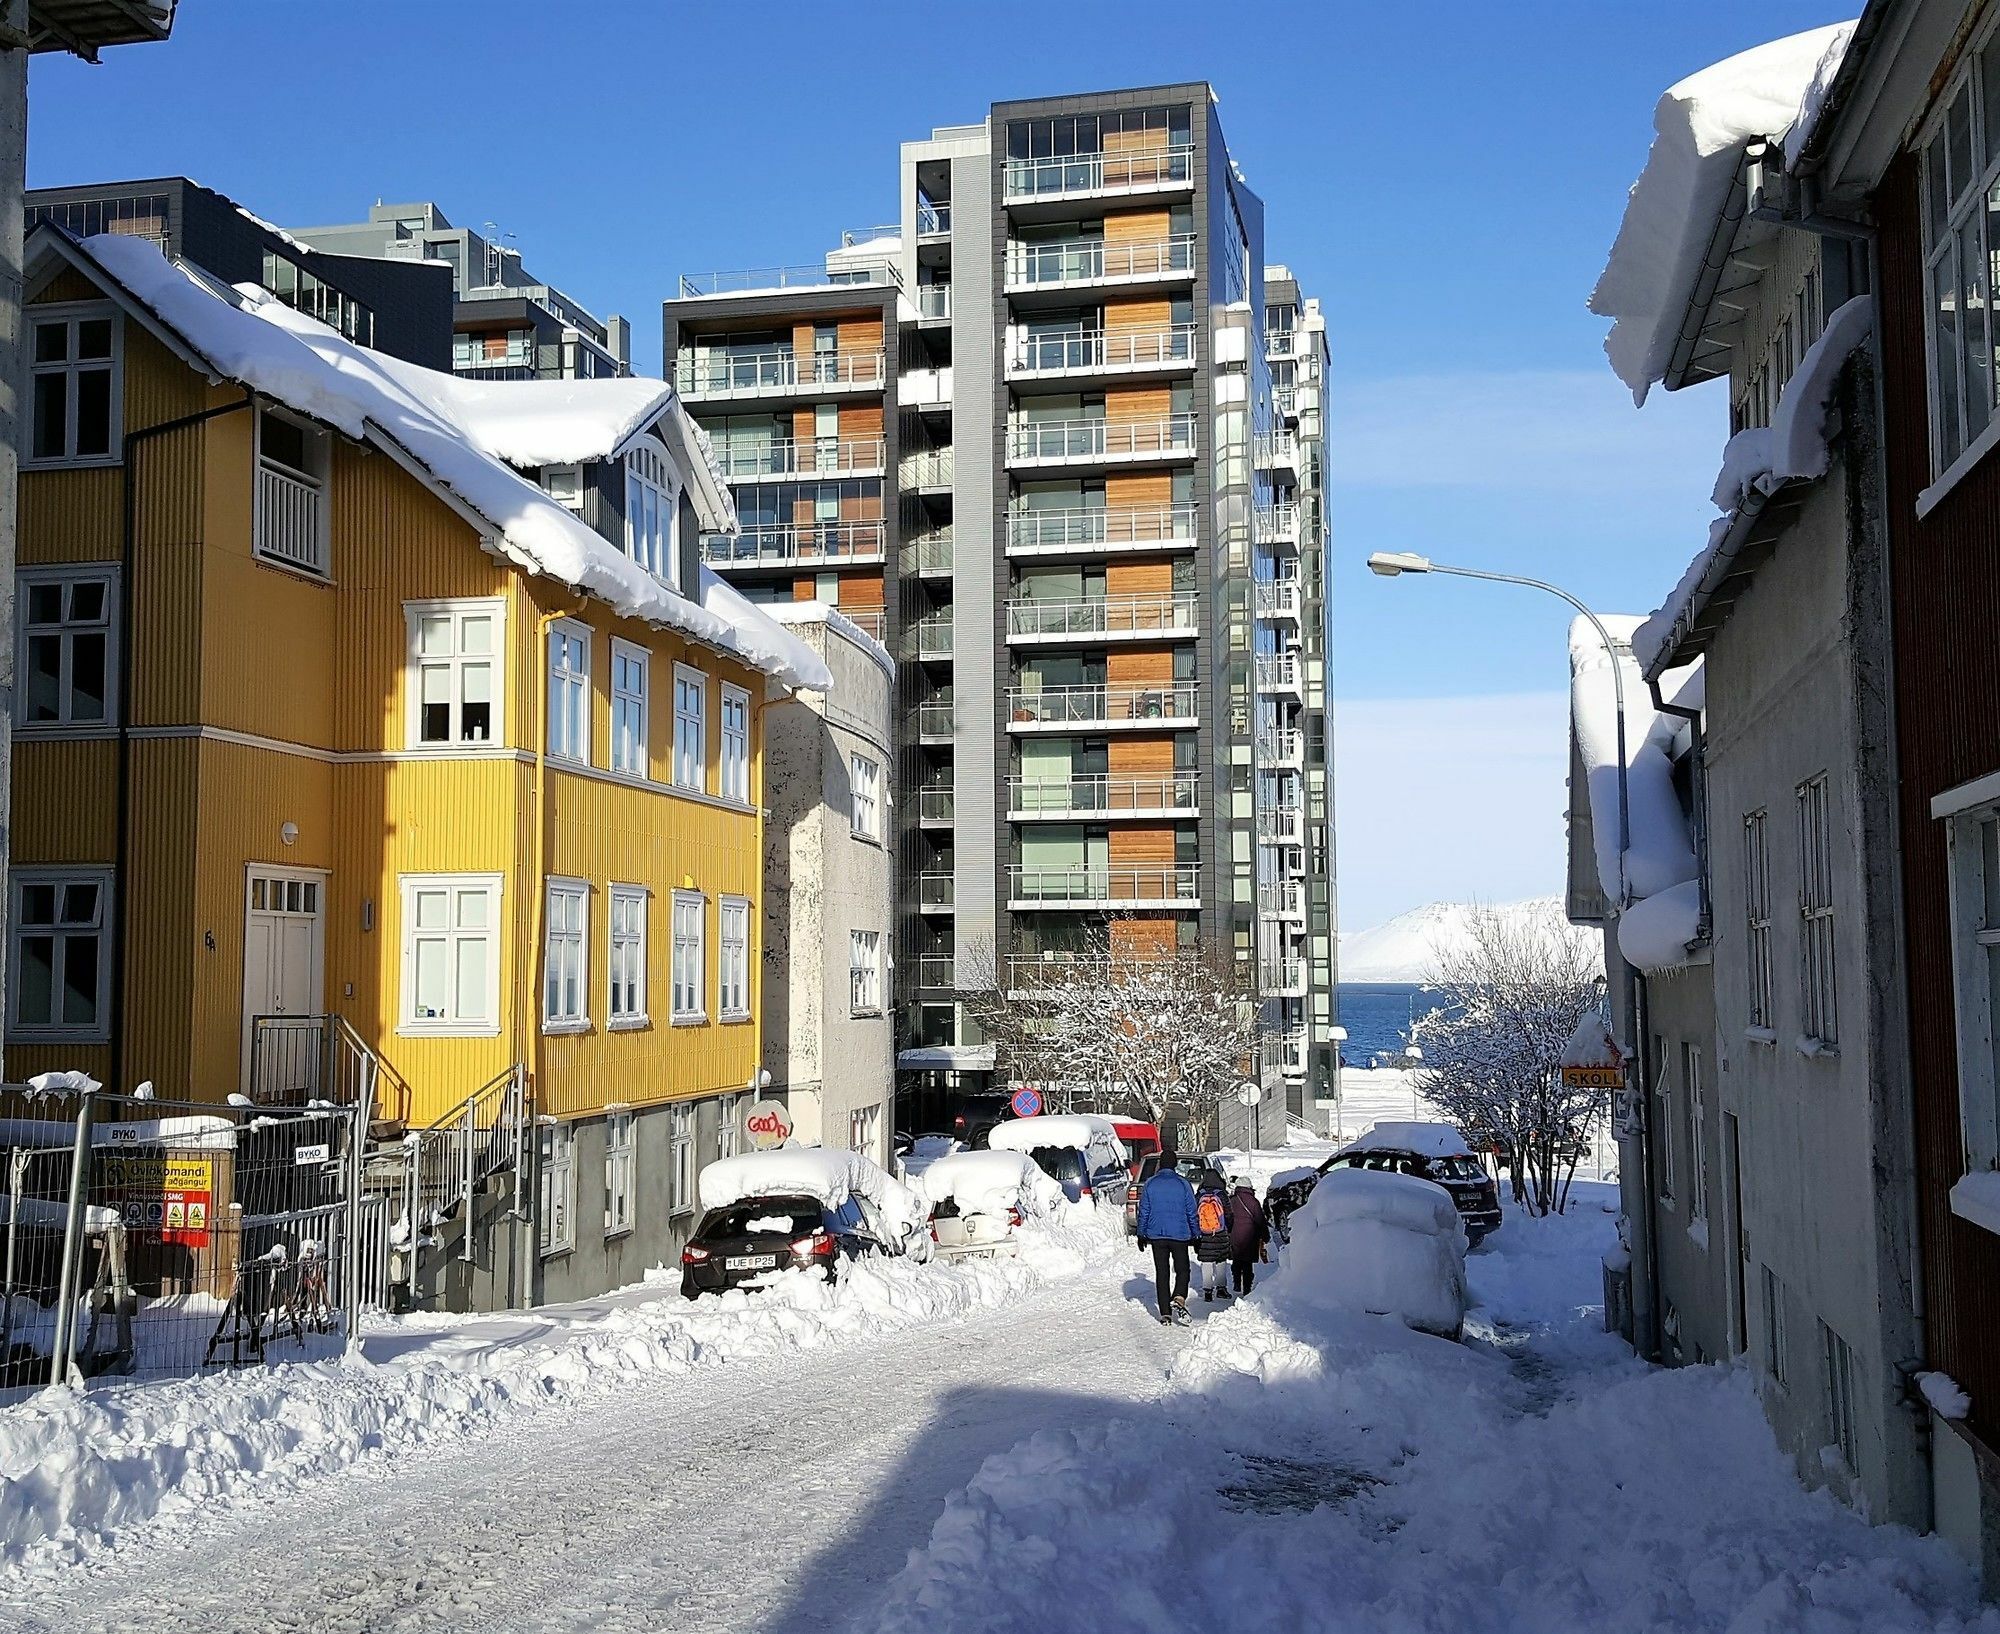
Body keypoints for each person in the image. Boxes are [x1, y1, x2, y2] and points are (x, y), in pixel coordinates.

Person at [1135, 1151, 1199, 1325]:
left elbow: (1144, 1211)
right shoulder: (1183, 1184)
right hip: (1180, 1234)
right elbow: (1191, 1212)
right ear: (1174, 1164)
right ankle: (1178, 1297)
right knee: (1183, 1269)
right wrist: (1196, 1233)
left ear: (1160, 1164)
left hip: (1157, 1235)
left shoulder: (1150, 1184)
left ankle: (1165, 1314)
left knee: (1162, 1273)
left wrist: (1141, 1233)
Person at [1194, 1166, 1232, 1300]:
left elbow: (1194, 1214)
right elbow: (1228, 1213)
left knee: (1206, 1262)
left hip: (1204, 1233)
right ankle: (1221, 1289)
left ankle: (1207, 1291)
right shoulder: (1221, 1194)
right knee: (1221, 1261)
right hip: (1220, 1232)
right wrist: (1229, 1229)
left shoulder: (1200, 1194)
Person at [1227, 1179, 1268, 1296]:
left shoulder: (1232, 1200)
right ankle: (1246, 1287)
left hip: (1235, 1235)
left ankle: (1236, 1282)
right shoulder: (1253, 1202)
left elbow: (1228, 1218)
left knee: (1236, 1260)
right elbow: (1260, 1220)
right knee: (1247, 1264)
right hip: (1250, 1237)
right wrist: (1265, 1235)